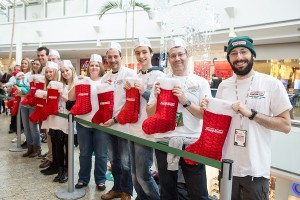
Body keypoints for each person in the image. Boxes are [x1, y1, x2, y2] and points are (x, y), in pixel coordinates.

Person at [202, 36, 292, 199]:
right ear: (229, 58)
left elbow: (286, 125)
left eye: (243, 51)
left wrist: (252, 114)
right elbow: (218, 122)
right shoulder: (224, 85)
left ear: (252, 54)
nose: (239, 57)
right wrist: (208, 109)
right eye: (234, 53)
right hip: (228, 167)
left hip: (256, 170)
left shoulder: (271, 84)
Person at [146, 37, 211, 200]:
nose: (177, 59)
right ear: (169, 59)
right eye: (172, 55)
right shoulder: (161, 82)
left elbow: (206, 115)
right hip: (164, 140)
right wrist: (156, 96)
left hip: (192, 141)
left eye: (180, 54)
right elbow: (149, 113)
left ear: (187, 55)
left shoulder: (200, 82)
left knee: (198, 191)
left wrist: (185, 101)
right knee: (167, 190)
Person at [124, 37, 164, 200]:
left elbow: (161, 105)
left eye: (144, 52)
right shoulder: (136, 75)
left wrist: (144, 92)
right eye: (138, 53)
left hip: (147, 131)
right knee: (134, 174)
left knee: (143, 175)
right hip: (132, 128)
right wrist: (128, 90)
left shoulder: (159, 76)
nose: (141, 56)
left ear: (151, 53)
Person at [101, 42, 137, 200]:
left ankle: (127, 191)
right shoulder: (105, 78)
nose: (113, 59)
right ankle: (116, 188)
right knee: (113, 159)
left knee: (125, 161)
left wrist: (115, 119)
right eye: (110, 57)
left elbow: (132, 103)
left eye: (115, 56)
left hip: (123, 125)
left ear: (121, 57)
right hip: (108, 125)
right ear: (107, 60)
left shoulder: (130, 74)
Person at [70, 55, 108, 190]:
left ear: (101, 67)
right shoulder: (83, 80)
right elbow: (70, 97)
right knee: (84, 153)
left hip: (101, 123)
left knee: (101, 154)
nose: (94, 67)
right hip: (83, 122)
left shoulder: (105, 81)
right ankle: (83, 179)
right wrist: (76, 82)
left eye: (97, 65)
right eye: (91, 65)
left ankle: (100, 180)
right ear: (87, 68)